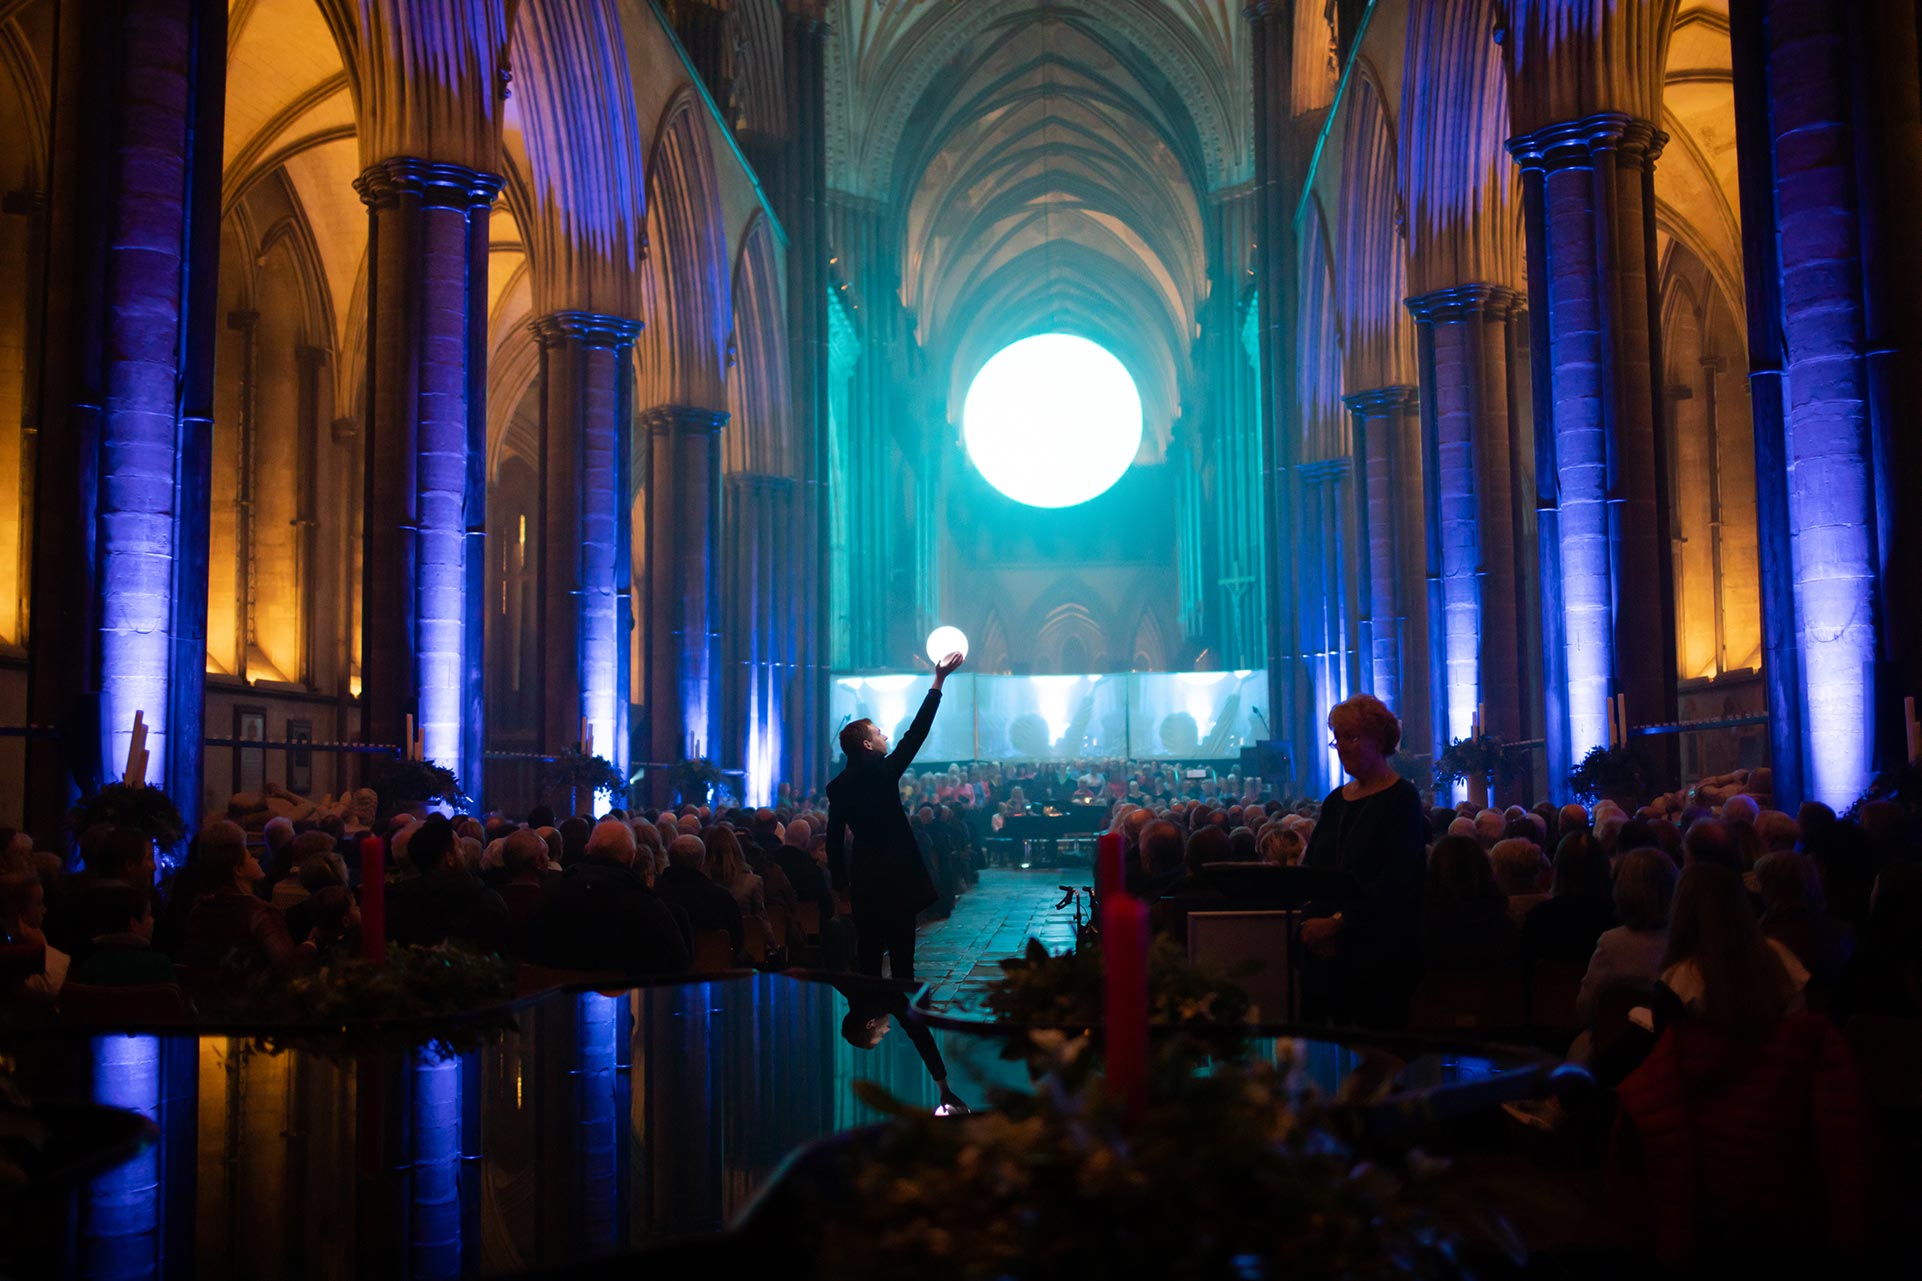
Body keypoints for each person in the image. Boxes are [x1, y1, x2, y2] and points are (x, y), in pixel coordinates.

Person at [826, 651, 964, 981]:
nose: (886, 736)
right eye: (878, 733)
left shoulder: (838, 786)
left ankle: (869, 1020)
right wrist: (938, 681)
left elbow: (833, 840)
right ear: (867, 745)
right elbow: (916, 732)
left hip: (864, 880)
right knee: (903, 962)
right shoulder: (883, 773)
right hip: (898, 878)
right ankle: (911, 1026)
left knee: (869, 958)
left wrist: (841, 884)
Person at [1299, 693, 1427, 1026]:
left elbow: (1396, 879)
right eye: (1337, 738)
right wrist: (1312, 923)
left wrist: (1337, 924)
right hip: (1324, 957)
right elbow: (1312, 872)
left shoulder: (1401, 798)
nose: (1341, 746)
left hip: (1377, 953)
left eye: (1351, 737)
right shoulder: (1334, 802)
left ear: (1379, 739)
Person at [180, 821, 315, 973]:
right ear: (238, 869)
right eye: (250, 856)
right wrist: (312, 943)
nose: (256, 860)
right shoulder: (261, 914)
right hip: (253, 995)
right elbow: (290, 968)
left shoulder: (198, 911)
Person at [1576, 847, 1676, 1024]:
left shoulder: (1611, 944)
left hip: (1613, 1042)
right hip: (1674, 1044)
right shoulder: (1686, 941)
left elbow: (1585, 1007)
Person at [386, 815, 511, 953]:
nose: (463, 853)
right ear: (449, 858)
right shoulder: (481, 900)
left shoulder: (398, 901)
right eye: (459, 847)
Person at [657, 834, 745, 957]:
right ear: (702, 862)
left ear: (670, 858)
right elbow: (737, 940)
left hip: (667, 971)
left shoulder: (655, 894)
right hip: (716, 969)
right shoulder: (721, 898)